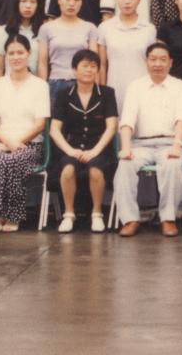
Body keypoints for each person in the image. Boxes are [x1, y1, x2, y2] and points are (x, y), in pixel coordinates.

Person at [113, 42, 182, 237]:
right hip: (141, 144)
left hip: (170, 143)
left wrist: (177, 145)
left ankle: (168, 218)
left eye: (163, 60)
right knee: (124, 165)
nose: (158, 64)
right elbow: (127, 121)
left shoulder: (180, 86)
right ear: (146, 62)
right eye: (153, 59)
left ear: (170, 63)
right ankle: (130, 219)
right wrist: (125, 147)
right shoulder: (135, 86)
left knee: (173, 165)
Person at [0, 34, 50, 232]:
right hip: (3, 141)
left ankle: (12, 216)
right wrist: (7, 142)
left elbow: (40, 124)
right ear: (6, 56)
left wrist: (16, 143)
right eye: (11, 53)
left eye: (20, 52)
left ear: (29, 54)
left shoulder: (40, 85)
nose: (16, 57)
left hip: (31, 144)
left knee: (13, 160)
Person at [49, 50, 117, 234]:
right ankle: (68, 214)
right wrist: (69, 150)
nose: (89, 70)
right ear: (74, 70)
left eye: (93, 66)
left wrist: (95, 151)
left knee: (95, 169)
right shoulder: (64, 94)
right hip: (73, 148)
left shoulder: (107, 93)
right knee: (68, 169)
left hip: (100, 148)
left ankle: (97, 214)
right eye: (84, 66)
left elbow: (112, 126)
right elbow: (54, 130)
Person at [97, 0, 157, 111]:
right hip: (114, 87)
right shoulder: (105, 28)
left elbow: (153, 63)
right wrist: (102, 91)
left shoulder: (149, 29)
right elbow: (102, 65)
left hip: (142, 88)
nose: (127, 2)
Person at [38, 0, 99, 107]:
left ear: (81, 2)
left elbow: (95, 62)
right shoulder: (46, 28)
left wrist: (96, 88)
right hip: (56, 84)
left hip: (83, 84)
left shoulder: (90, 28)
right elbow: (42, 62)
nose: (71, 3)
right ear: (59, 0)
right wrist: (42, 89)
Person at [0, 0, 43, 78]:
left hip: (34, 83)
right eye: (23, 1)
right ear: (16, 3)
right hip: (9, 83)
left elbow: (43, 65)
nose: (28, 6)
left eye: (32, 2)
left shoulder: (43, 31)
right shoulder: (4, 31)